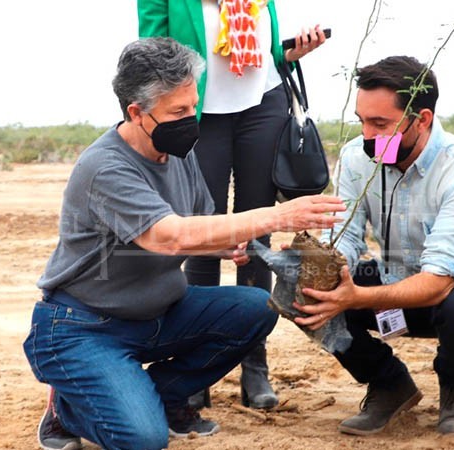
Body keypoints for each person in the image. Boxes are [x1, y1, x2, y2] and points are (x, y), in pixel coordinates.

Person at [22, 37, 345, 450]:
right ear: (136, 112)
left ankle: (163, 395)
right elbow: (170, 236)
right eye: (178, 112)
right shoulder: (106, 167)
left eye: (193, 106)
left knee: (255, 309)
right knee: (142, 439)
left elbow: (195, 227)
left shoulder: (177, 152)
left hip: (159, 312)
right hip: (85, 325)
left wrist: (224, 246)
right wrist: (279, 216)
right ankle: (67, 407)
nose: (191, 120)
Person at [291, 56, 454, 436]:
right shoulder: (356, 157)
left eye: (380, 124)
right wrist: (324, 270)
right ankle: (388, 383)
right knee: (300, 292)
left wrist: (355, 297)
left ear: (422, 119)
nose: (367, 135)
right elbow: (346, 236)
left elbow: (440, 281)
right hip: (395, 276)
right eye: (362, 121)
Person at [138, 0, 328, 410]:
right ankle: (197, 366)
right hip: (199, 113)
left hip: (263, 106)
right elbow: (150, 55)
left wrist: (291, 52)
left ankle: (254, 365)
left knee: (257, 237)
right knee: (205, 236)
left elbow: (268, 50)